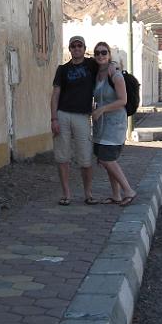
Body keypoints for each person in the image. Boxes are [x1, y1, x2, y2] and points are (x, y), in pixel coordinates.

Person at [51, 35, 105, 205]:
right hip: (63, 115)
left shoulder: (91, 65)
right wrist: (53, 119)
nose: (76, 48)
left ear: (84, 48)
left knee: (85, 157)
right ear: (69, 49)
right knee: (62, 157)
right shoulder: (62, 69)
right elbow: (55, 95)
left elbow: (106, 64)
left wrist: (116, 69)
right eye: (73, 46)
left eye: (79, 45)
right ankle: (66, 193)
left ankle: (88, 193)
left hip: (83, 116)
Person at [91, 41, 137, 206]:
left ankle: (128, 190)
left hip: (115, 124)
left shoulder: (115, 75)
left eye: (104, 52)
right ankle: (116, 195)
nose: (100, 56)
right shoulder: (97, 75)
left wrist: (102, 109)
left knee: (106, 159)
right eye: (97, 53)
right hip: (101, 125)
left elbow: (123, 100)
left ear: (109, 54)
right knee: (106, 158)